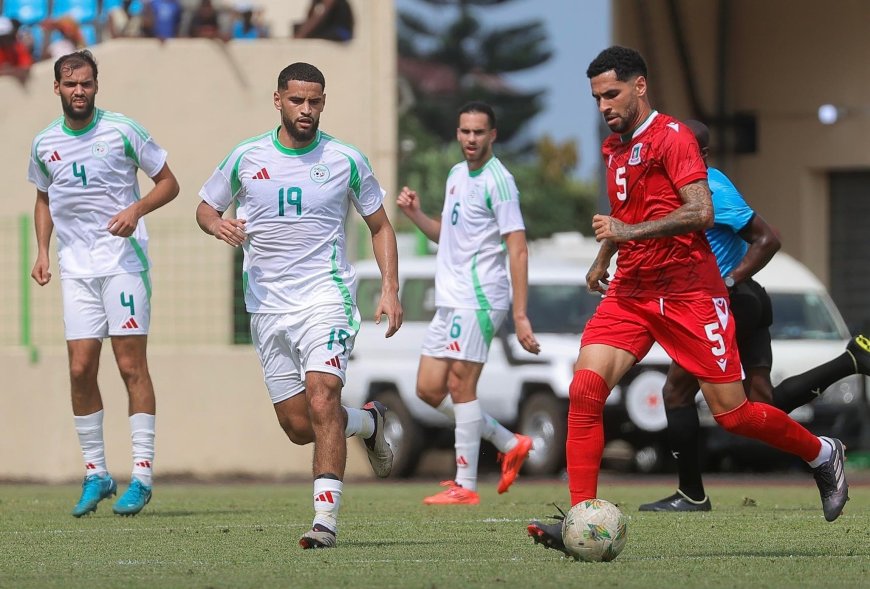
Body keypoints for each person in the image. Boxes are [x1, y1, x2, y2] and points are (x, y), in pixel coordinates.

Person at [527, 46, 849, 556]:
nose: (604, 105)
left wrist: (627, 230)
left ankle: (822, 453)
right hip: (631, 291)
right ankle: (581, 523)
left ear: (640, 87)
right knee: (586, 390)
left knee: (734, 414)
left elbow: (699, 212)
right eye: (596, 98)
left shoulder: (673, 138)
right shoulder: (614, 149)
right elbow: (624, 211)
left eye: (611, 94)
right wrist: (604, 256)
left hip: (690, 292)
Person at [196, 62, 403, 549]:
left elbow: (380, 225)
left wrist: (390, 287)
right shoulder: (246, 157)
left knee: (322, 395)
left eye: (315, 101)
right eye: (297, 100)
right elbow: (205, 206)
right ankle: (368, 422)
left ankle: (324, 523)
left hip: (324, 299)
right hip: (268, 307)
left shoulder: (345, 159)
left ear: (323, 103)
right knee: (298, 425)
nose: (306, 109)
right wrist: (217, 225)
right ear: (278, 100)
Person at [639, 120, 870, 512]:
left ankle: (691, 494)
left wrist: (729, 279)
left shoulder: (711, 186)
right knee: (763, 409)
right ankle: (850, 360)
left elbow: (769, 238)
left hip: (730, 301)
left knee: (677, 392)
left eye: (677, 149)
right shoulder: (679, 188)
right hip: (745, 299)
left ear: (701, 154)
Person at [28, 50, 180, 517]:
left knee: (130, 365)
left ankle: (142, 476)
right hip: (76, 267)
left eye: (87, 84)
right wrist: (41, 252)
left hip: (123, 264)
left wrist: (136, 210)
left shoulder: (122, 130)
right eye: (71, 84)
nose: (80, 91)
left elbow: (169, 183)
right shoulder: (44, 144)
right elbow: (43, 198)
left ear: (97, 85)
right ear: (57, 88)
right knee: (79, 368)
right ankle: (96, 473)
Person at [397, 101, 541, 505]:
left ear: (492, 135)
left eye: (479, 132)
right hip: (450, 298)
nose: (470, 139)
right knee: (427, 390)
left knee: (461, 385)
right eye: (465, 131)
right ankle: (508, 441)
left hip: (480, 298)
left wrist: (520, 313)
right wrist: (415, 214)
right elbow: (447, 234)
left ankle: (466, 484)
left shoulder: (500, 181)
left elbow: (518, 248)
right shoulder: (457, 174)